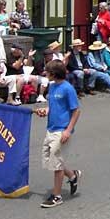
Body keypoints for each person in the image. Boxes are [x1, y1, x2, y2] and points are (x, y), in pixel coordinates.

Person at [36, 60, 82, 208]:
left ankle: (57, 196)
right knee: (53, 160)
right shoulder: (52, 86)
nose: (45, 74)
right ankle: (72, 175)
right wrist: (45, 111)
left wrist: (68, 130)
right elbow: (53, 106)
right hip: (50, 129)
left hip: (61, 130)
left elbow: (76, 110)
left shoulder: (68, 89)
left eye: (47, 72)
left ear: (54, 73)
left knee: (56, 164)